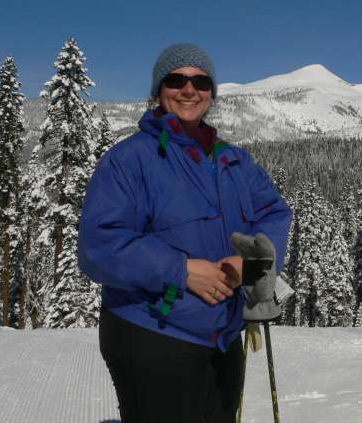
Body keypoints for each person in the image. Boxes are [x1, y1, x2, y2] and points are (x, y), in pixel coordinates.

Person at [78, 43, 292, 423]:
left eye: (201, 82)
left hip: (223, 336)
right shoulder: (130, 160)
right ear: (158, 90)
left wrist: (253, 263)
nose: (189, 89)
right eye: (176, 80)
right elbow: (99, 246)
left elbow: (274, 213)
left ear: (212, 93)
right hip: (152, 333)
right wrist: (182, 270)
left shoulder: (234, 161)